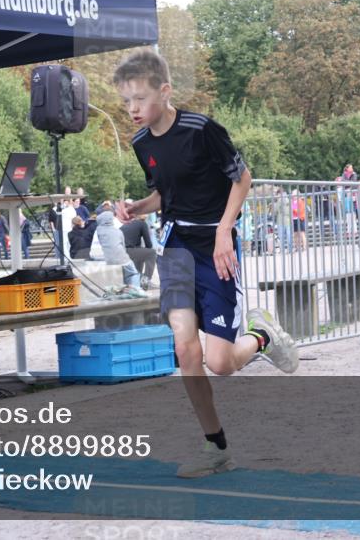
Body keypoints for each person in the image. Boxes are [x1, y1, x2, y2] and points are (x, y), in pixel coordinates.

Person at [112, 47, 298, 479]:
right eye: (126, 101)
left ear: (165, 91)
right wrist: (137, 207)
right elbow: (164, 193)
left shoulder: (202, 129)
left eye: (140, 98)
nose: (133, 109)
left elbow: (242, 177)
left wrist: (222, 231)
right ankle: (215, 448)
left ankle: (261, 337)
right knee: (184, 347)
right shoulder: (141, 144)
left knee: (222, 364)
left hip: (215, 242)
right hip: (176, 244)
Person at [93, 210, 141, 288]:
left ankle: (126, 288)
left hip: (108, 259)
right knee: (133, 273)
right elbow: (123, 247)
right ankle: (135, 290)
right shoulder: (118, 231)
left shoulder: (98, 230)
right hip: (121, 258)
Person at [121, 205, 157, 288]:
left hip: (121, 251)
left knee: (140, 252)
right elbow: (149, 244)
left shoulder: (125, 224)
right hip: (129, 250)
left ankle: (138, 280)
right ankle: (146, 280)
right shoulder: (142, 223)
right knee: (151, 253)